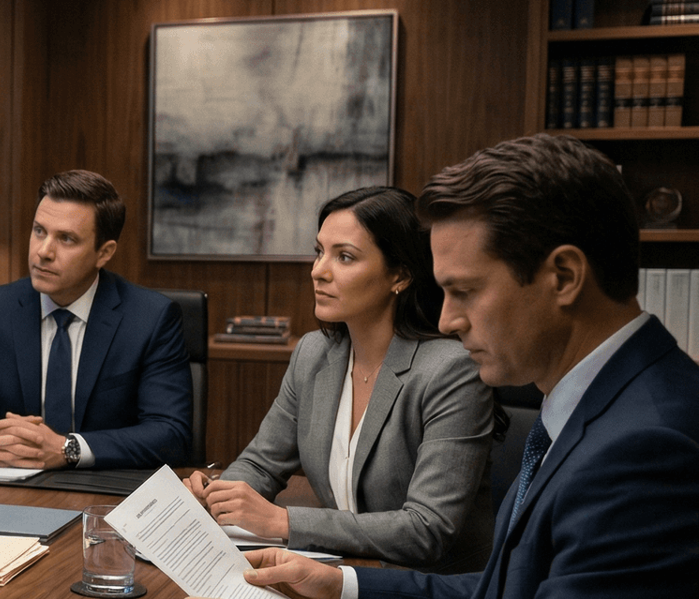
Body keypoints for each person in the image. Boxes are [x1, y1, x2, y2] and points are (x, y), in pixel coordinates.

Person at [181, 134, 698, 599]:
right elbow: (509, 596)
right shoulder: (599, 407)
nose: (449, 319)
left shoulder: (647, 448)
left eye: (463, 290)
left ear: (563, 275)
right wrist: (342, 588)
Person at [184, 186, 497, 573]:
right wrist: (218, 497)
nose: (318, 271)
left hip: (428, 598)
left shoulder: (451, 371)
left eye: (344, 257)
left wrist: (283, 521)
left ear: (399, 275)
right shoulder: (313, 352)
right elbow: (262, 465)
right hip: (340, 573)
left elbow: (426, 529)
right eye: (319, 252)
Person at [0, 170, 193, 470]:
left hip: (106, 495)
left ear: (104, 253)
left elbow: (171, 434)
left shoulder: (150, 318)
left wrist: (69, 449)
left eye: (66, 239)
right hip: (14, 489)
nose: (43, 251)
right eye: (39, 231)